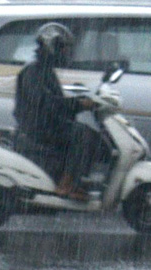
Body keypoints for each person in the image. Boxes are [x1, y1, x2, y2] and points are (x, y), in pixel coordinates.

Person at [13, 22, 104, 201]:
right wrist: (78, 105)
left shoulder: (44, 70)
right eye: (63, 48)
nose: (66, 53)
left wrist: (79, 101)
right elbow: (47, 104)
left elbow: (54, 102)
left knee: (92, 136)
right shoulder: (34, 72)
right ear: (51, 46)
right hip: (38, 127)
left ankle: (75, 178)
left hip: (46, 124)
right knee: (81, 134)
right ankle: (66, 184)